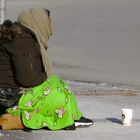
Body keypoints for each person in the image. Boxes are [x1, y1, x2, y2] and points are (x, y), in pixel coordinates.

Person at [0, 8, 93, 131]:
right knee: (57, 94)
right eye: (48, 22)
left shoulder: (23, 35)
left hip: (7, 91)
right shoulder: (23, 41)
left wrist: (45, 77)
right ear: (39, 21)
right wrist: (45, 77)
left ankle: (73, 116)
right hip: (8, 97)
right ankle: (63, 119)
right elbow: (27, 79)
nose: (50, 27)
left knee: (56, 83)